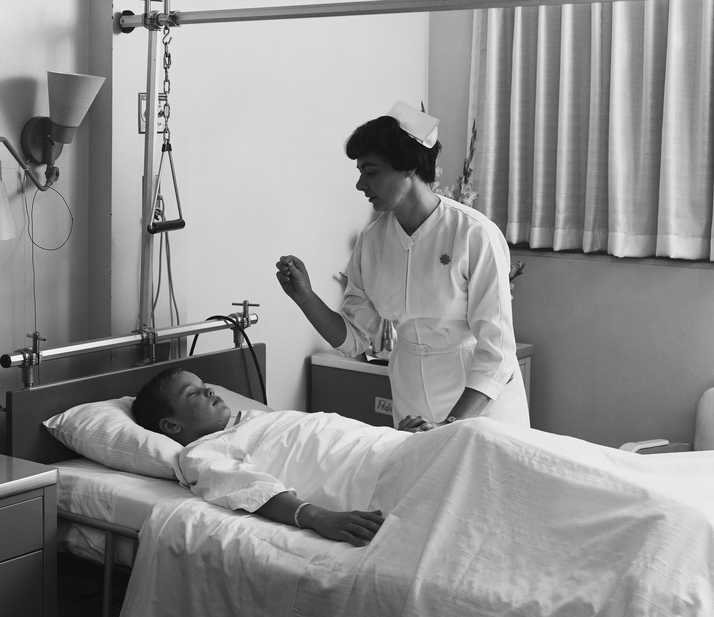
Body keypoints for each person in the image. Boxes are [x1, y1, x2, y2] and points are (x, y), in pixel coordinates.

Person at [276, 101, 529, 432]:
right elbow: (354, 339)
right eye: (359, 172)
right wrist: (305, 297)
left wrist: (449, 426)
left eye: (371, 172)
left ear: (408, 166)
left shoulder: (472, 233)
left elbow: (497, 352)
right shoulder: (373, 242)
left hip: (478, 405)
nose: (360, 185)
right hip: (412, 396)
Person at [133, 367, 394, 548]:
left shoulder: (253, 419)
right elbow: (248, 487)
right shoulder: (200, 453)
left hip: (384, 445)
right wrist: (317, 517)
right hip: (372, 470)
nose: (210, 392)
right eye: (193, 393)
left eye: (205, 386)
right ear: (170, 426)